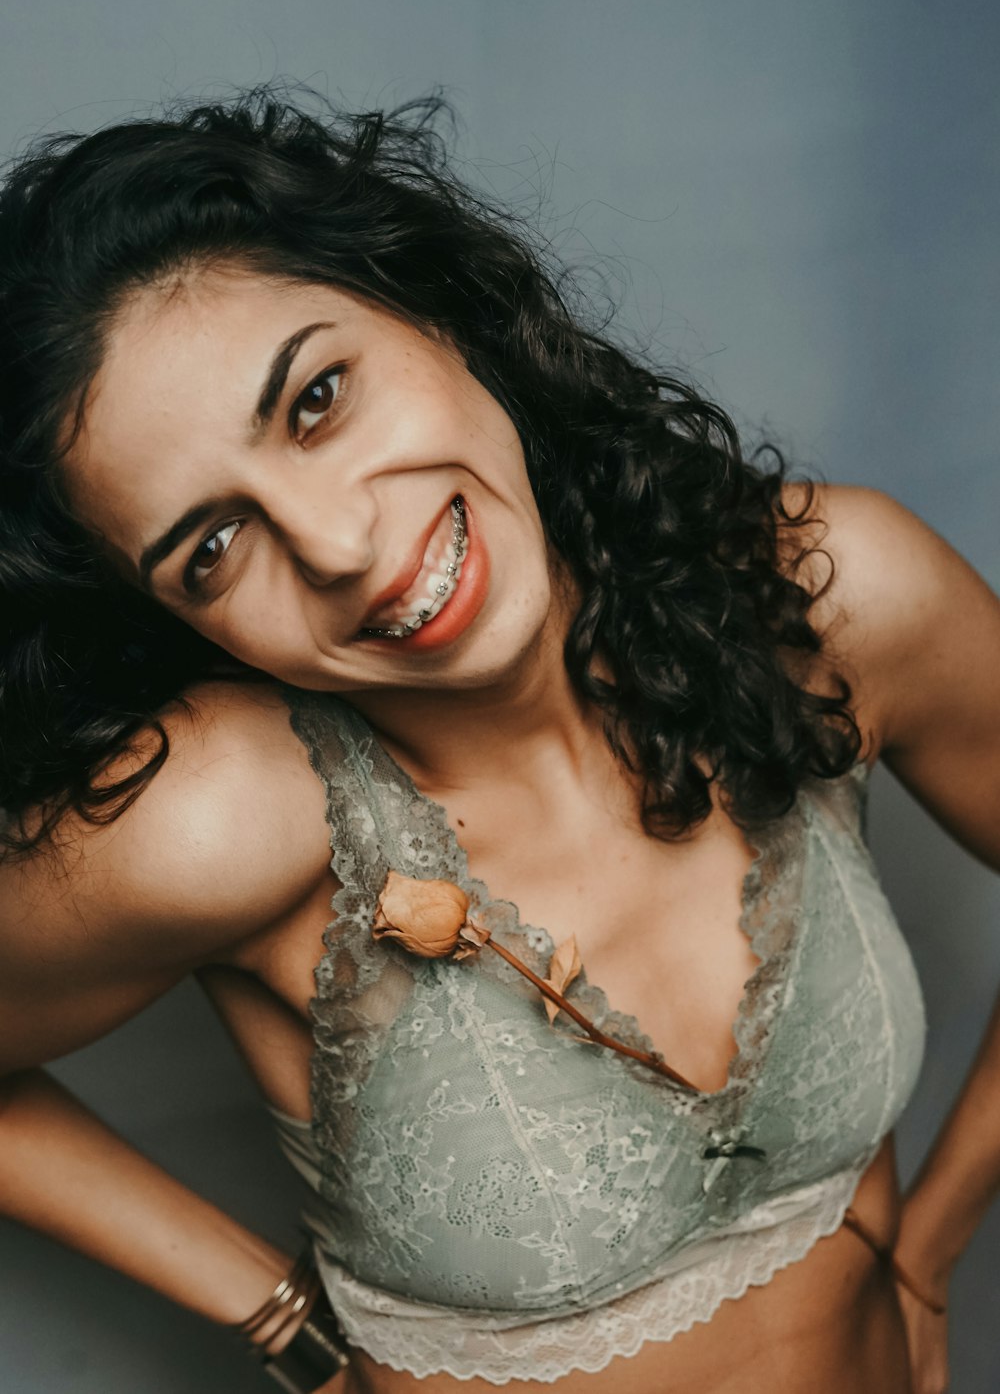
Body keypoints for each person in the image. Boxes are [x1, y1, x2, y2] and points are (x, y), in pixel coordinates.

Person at [0, 91, 996, 1394]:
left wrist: (931, 1248)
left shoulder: (824, 603)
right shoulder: (233, 817)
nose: (344, 546)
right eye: (213, 548)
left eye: (316, 399)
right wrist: (278, 1321)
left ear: (432, 305)